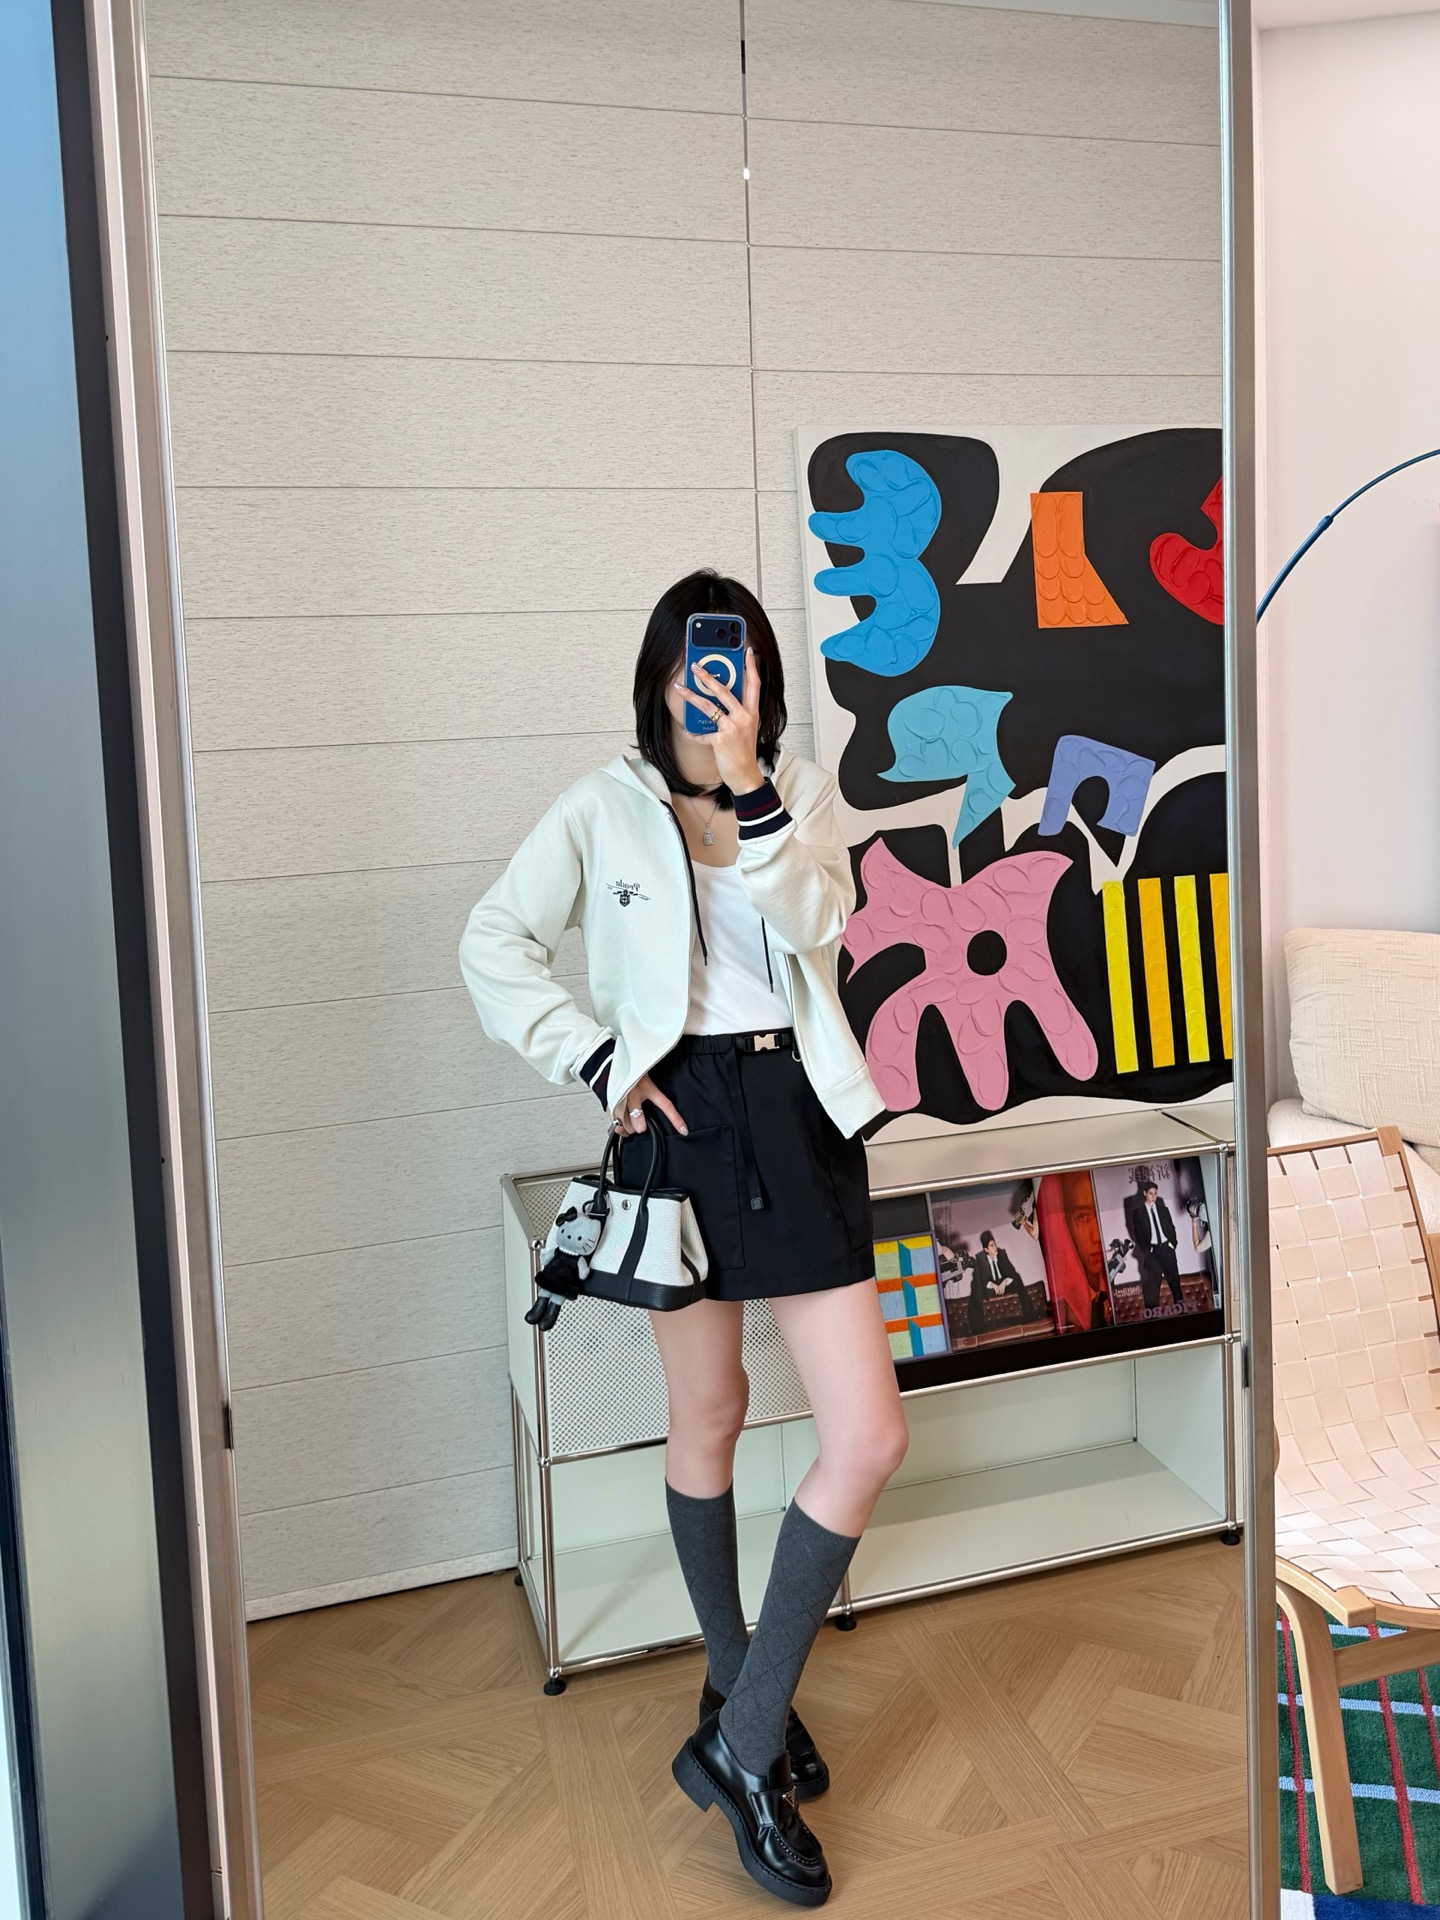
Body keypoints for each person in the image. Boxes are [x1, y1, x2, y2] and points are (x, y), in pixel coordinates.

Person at [460, 570, 908, 1909]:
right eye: (696, 664)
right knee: (707, 1414)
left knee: (867, 1435)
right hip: (677, 1124)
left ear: (761, 677)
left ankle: (745, 1738)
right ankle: (735, 1685)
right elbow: (493, 941)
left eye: (740, 661)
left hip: (796, 1114)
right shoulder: (602, 806)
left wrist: (751, 779)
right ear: (658, 677)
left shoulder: (801, 793)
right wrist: (598, 1058)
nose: (716, 683)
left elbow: (822, 922)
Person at [966, 1230, 1041, 1336]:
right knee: (975, 1289)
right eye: (992, 1245)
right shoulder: (980, 1259)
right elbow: (980, 1282)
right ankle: (977, 1329)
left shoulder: (1002, 1254)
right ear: (986, 1249)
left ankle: (1030, 1318)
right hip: (989, 1288)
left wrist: (1004, 1283)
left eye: (995, 1244)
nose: (995, 1247)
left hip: (1005, 1285)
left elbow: (1012, 1273)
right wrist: (993, 1285)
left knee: (1018, 1280)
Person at [1130, 1179, 1182, 1315]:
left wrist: (1172, 1244)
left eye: (1155, 1193)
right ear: (1144, 1193)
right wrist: (1148, 1251)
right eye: (1150, 1193)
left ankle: (1182, 1315)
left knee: (1175, 1285)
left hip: (1167, 1249)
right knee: (1152, 1289)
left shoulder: (1163, 1210)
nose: (1153, 1196)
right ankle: (1153, 1319)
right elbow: (1138, 1234)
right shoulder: (1138, 1213)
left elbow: (1171, 1228)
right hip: (1153, 1252)